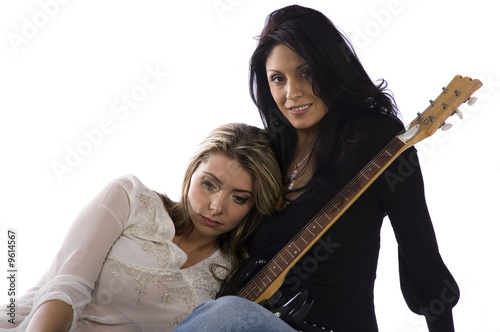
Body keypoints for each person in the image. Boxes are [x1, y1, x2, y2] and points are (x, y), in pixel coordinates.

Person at [174, 5, 459, 332]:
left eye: (306, 72)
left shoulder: (373, 139)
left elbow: (420, 250)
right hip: (247, 321)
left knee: (228, 313)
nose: (292, 93)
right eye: (277, 79)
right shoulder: (269, 151)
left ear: (332, 67)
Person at [0, 123, 282, 332]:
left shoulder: (232, 273)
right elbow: (64, 291)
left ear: (253, 206)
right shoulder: (129, 198)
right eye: (209, 184)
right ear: (191, 173)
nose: (216, 206)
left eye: (239, 198)